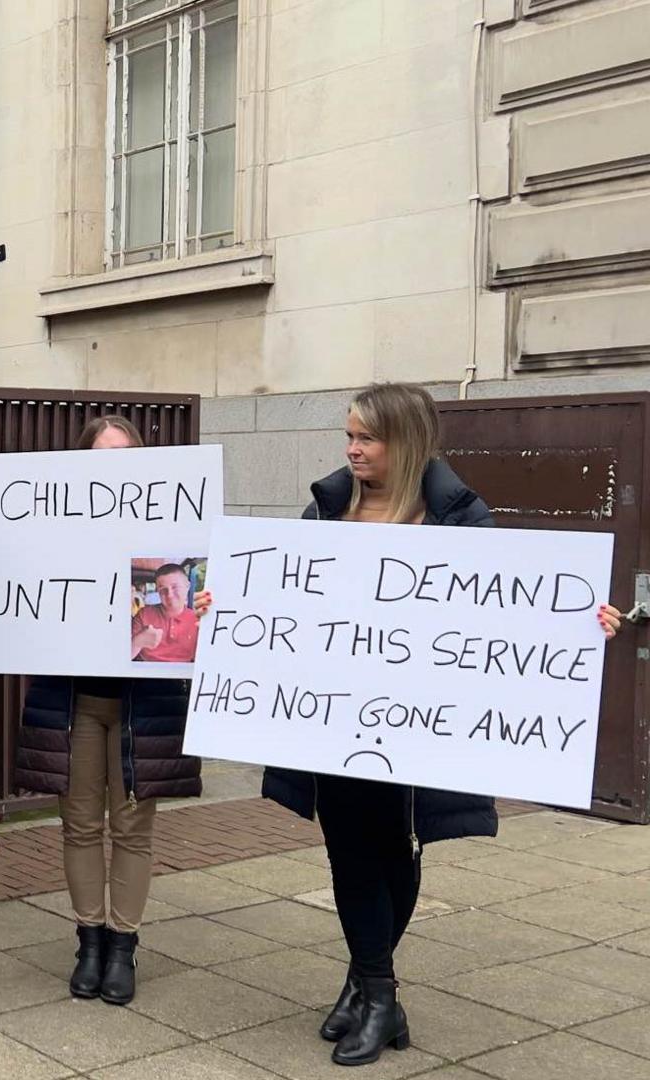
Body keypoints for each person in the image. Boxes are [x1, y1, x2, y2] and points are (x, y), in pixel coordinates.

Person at [262, 383, 623, 1067]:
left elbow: (509, 610)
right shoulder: (326, 511)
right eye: (349, 436)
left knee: (396, 851)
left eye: (366, 438)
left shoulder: (458, 519)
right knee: (348, 853)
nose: (352, 449)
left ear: (405, 443)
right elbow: (284, 595)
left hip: (420, 724)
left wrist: (581, 624)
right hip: (334, 720)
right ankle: (376, 992)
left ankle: (370, 988)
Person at [14, 415, 202, 1007]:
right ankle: (88, 939)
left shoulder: (171, 532)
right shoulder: (59, 532)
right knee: (79, 824)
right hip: (74, 702)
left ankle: (123, 945)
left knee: (133, 829)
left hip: (142, 706)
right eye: (101, 459)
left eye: (124, 458)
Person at [130, 563, 198, 663]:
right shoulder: (143, 614)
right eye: (163, 589)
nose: (169, 595)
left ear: (187, 586)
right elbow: (119, 661)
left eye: (175, 587)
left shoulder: (199, 621)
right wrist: (137, 643)